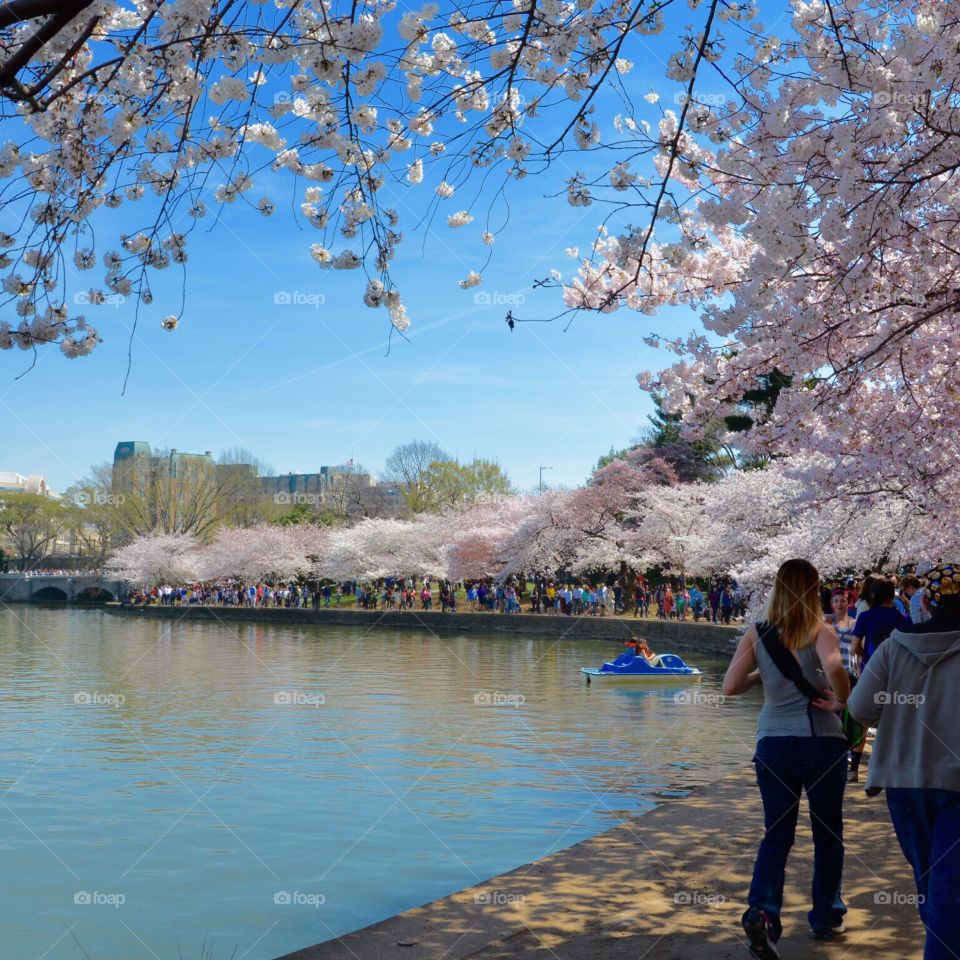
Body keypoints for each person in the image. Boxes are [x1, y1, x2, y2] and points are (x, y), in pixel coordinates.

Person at [723, 558, 850, 956]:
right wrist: (840, 701)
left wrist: (764, 673)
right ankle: (825, 916)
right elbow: (837, 673)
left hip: (773, 745)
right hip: (821, 744)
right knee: (827, 833)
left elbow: (730, 687)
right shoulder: (821, 630)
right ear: (814, 589)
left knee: (777, 834)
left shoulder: (757, 634)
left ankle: (762, 913)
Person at [848, 562, 960, 960]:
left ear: (925, 602)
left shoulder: (896, 646)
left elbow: (859, 708)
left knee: (931, 881)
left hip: (903, 781)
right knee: (949, 890)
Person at [827, 587, 865, 782]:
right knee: (832, 718)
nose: (839, 604)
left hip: (850, 674)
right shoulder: (826, 624)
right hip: (830, 674)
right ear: (831, 604)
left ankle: (854, 768)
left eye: (843, 601)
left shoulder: (856, 624)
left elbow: (860, 651)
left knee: (854, 719)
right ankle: (835, 762)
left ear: (848, 602)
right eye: (836, 601)